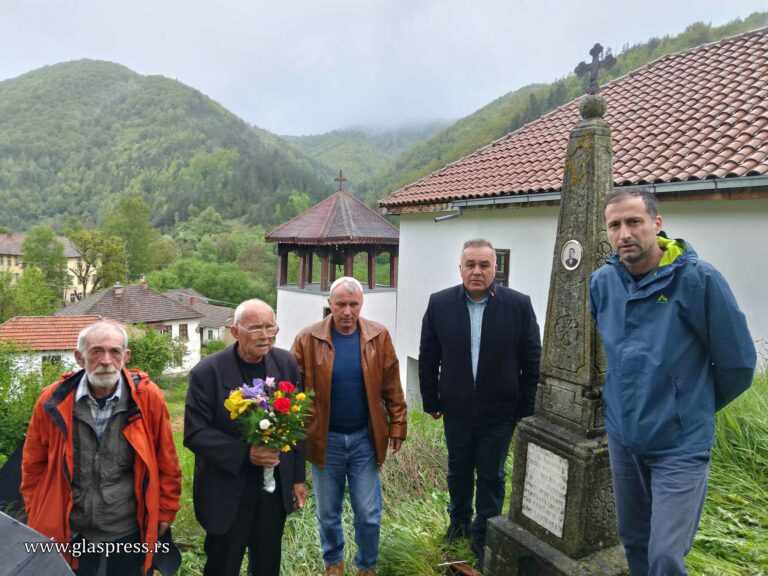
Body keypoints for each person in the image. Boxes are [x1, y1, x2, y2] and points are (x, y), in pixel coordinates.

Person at [590, 188, 756, 575]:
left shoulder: (699, 280)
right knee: (634, 541)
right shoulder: (602, 283)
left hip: (679, 445)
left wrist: (687, 407)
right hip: (623, 436)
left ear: (657, 224)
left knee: (665, 556)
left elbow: (738, 363)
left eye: (634, 222)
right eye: (614, 225)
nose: (624, 233)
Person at [21, 321, 182, 576]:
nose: (106, 360)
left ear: (125, 357)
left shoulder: (147, 397)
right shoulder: (53, 400)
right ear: (79, 357)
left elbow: (167, 461)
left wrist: (166, 509)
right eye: (96, 351)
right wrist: (38, 509)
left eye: (115, 352)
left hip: (128, 530)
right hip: (71, 529)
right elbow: (32, 464)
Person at [419, 238, 542, 570]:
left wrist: (525, 408)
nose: (477, 271)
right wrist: (431, 399)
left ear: (495, 270)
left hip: (500, 410)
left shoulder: (518, 305)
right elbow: (428, 356)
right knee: (458, 470)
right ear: (460, 268)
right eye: (470, 265)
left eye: (484, 265)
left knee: (491, 474)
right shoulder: (439, 303)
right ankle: (458, 523)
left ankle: (484, 532)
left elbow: (532, 360)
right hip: (456, 408)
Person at [291, 276, 407, 576]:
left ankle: (366, 567)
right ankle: (333, 563)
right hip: (323, 440)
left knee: (368, 513)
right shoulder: (307, 338)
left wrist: (398, 425)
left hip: (364, 440)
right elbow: (292, 391)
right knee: (328, 513)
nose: (346, 311)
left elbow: (392, 385)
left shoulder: (377, 336)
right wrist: (292, 433)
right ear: (329, 304)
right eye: (340, 304)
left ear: (361, 305)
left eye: (353, 304)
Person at [184, 299, 307, 576]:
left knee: (266, 565)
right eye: (255, 329)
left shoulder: (286, 363)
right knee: (222, 566)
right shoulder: (208, 373)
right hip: (227, 492)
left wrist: (298, 478)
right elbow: (195, 434)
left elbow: (298, 424)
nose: (265, 336)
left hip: (272, 492)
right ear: (235, 332)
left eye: (270, 327)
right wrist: (245, 453)